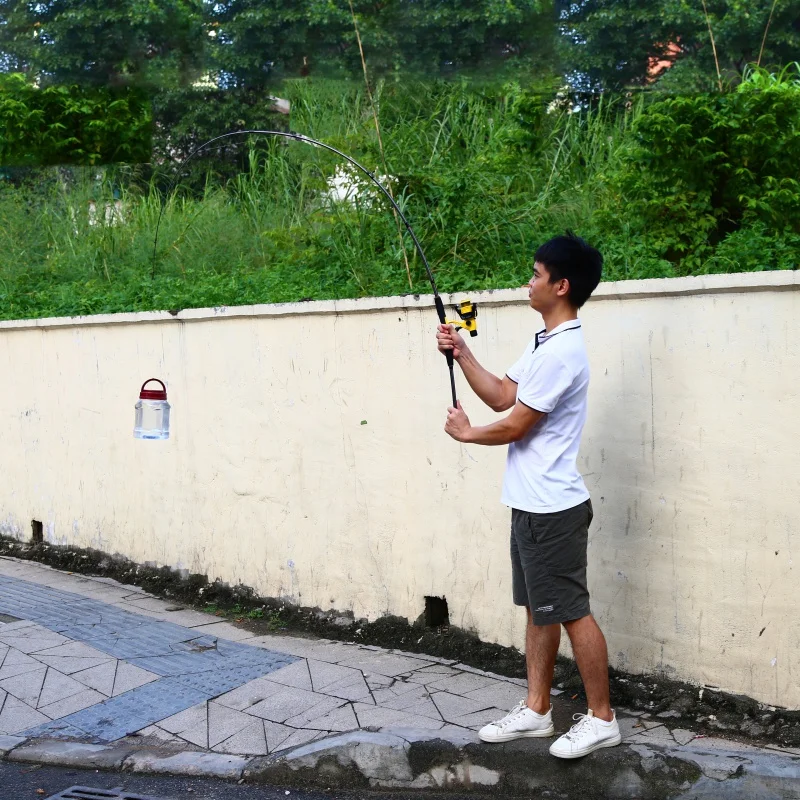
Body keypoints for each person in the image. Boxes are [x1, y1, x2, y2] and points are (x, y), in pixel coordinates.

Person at [436, 232, 620, 759]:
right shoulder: (543, 343)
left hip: (553, 508)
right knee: (541, 611)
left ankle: (601, 718)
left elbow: (517, 423)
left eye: (537, 274)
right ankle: (537, 710)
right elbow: (502, 393)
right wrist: (463, 351)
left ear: (561, 286)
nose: (529, 281)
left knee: (571, 610)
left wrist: (470, 434)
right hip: (531, 504)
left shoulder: (564, 352)